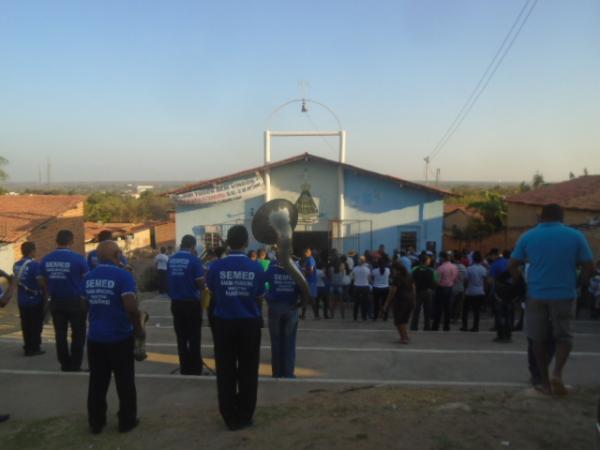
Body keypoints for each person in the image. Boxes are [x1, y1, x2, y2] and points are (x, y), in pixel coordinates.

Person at [510, 203, 594, 396]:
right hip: (564, 294)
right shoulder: (575, 236)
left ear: (541, 217)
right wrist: (578, 284)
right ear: (562, 217)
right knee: (563, 336)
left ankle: (545, 383)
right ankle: (557, 373)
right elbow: (588, 266)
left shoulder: (528, 236)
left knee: (537, 339)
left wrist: (521, 284)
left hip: (536, 294)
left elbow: (512, 265)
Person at [206, 225, 266, 431]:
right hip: (249, 324)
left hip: (224, 324)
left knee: (225, 370)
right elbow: (259, 296)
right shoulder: (256, 267)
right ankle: (246, 414)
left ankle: (229, 416)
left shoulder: (215, 267)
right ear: (246, 242)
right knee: (248, 370)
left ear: (227, 242)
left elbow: (212, 291)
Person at [84, 240, 145, 434]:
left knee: (97, 382)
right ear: (118, 255)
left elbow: (85, 303)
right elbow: (131, 307)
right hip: (120, 337)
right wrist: (138, 329)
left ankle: (96, 422)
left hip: (95, 337)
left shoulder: (88, 276)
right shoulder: (123, 275)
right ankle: (127, 421)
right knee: (125, 382)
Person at [39, 230, 89, 371]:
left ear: (56, 241)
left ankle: (64, 364)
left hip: (56, 301)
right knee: (78, 334)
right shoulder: (79, 259)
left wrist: (50, 287)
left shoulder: (46, 259)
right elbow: (86, 279)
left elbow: (41, 280)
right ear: (71, 241)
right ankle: (75, 364)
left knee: (60, 335)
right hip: (76, 301)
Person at [167, 235, 205, 375]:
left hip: (176, 303)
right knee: (194, 337)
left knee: (181, 338)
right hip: (191, 303)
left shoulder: (171, 260)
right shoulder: (194, 260)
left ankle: (185, 367)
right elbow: (200, 284)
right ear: (193, 246)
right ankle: (195, 368)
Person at [264, 259, 300, 378]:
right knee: (289, 342)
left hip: (275, 307)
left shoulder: (272, 268)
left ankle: (277, 372)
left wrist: (268, 296)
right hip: (291, 307)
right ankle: (288, 373)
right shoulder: (296, 269)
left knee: (276, 342)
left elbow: (262, 283)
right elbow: (304, 288)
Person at [13, 242, 45, 356]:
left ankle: (27, 346)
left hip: (22, 300)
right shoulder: (34, 265)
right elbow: (40, 281)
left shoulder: (16, 265)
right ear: (32, 251)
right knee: (36, 325)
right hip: (34, 299)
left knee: (25, 324)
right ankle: (34, 348)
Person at [382, 262, 415, 344]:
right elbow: (414, 288)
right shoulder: (409, 276)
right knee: (403, 320)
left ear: (396, 269)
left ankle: (403, 338)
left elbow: (392, 292)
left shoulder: (397, 278)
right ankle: (405, 336)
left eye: (392, 269)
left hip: (400, 300)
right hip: (409, 299)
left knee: (399, 320)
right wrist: (414, 299)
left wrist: (386, 304)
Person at [461, 252, 487, 332]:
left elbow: (465, 281)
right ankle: (475, 327)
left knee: (465, 310)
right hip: (480, 292)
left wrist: (465, 289)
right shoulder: (483, 269)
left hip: (470, 291)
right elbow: (486, 281)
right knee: (477, 311)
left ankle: (465, 326)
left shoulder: (469, 268)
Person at [432, 251, 458, 331]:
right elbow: (456, 279)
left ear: (442, 258)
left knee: (438, 308)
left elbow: (436, 280)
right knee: (448, 308)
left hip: (441, 288)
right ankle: (446, 326)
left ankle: (435, 326)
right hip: (450, 288)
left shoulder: (440, 268)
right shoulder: (454, 267)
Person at [410, 254, 436, 331]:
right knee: (427, 310)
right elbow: (436, 281)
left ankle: (414, 326)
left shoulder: (415, 269)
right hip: (428, 292)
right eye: (428, 260)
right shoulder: (432, 270)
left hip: (418, 292)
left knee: (416, 310)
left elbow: (411, 281)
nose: (429, 261)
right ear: (425, 261)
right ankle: (427, 327)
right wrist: (432, 288)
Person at [351, 256, 371, 321]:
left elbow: (353, 278)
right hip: (365, 286)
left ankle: (355, 316)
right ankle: (364, 316)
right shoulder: (367, 269)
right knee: (364, 303)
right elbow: (369, 279)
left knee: (356, 302)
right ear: (364, 262)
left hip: (357, 286)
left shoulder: (355, 269)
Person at [300, 248, 318, 320]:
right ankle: (304, 315)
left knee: (311, 299)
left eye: (305, 252)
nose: (304, 254)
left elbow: (311, 271)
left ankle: (315, 315)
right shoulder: (308, 260)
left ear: (309, 253)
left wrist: (304, 271)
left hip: (311, 282)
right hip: (308, 281)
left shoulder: (311, 260)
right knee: (306, 298)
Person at [451, 252, 467, 323]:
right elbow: (466, 279)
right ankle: (456, 319)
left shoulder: (451, 266)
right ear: (461, 259)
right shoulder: (463, 267)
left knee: (450, 304)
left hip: (452, 288)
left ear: (454, 258)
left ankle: (448, 318)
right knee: (459, 305)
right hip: (461, 288)